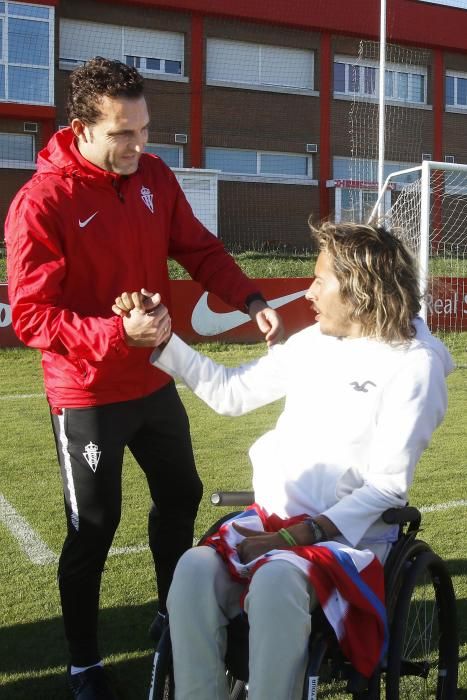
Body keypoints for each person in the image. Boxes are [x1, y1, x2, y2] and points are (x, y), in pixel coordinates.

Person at [4, 57, 283, 700]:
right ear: (81, 127)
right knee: (94, 526)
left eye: (145, 129)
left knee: (182, 494)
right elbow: (31, 316)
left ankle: (172, 612)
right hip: (87, 391)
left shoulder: (153, 175)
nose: (139, 146)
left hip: (153, 377)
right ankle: (82, 663)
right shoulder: (42, 201)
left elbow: (198, 247)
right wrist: (111, 335)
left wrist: (249, 299)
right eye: (122, 134)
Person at [146, 222, 454, 700]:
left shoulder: (416, 364)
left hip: (349, 541)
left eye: (319, 280)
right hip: (273, 523)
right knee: (191, 571)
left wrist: (290, 537)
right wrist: (163, 340)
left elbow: (388, 488)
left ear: (359, 292)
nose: (307, 292)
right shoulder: (315, 342)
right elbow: (231, 394)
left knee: (274, 581)